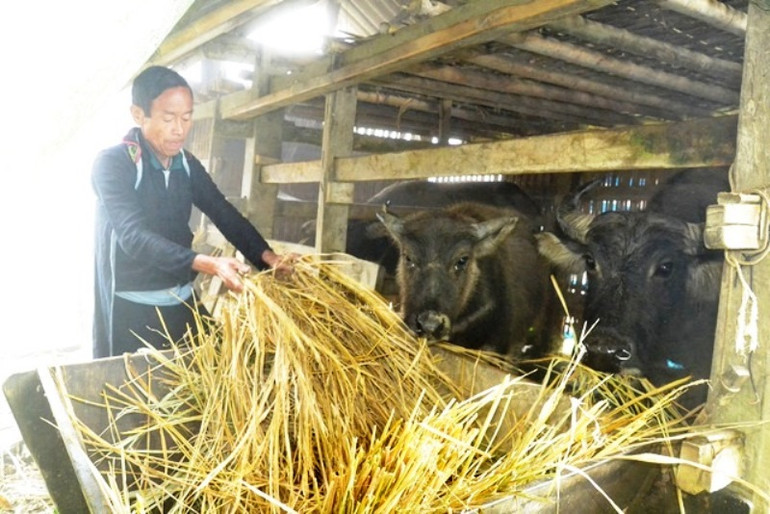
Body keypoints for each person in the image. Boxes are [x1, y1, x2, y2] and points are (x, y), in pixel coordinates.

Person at [92, 65, 291, 358]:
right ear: (138, 115)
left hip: (182, 300)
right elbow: (132, 236)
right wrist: (208, 263)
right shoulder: (114, 164)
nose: (179, 129)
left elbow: (221, 211)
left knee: (223, 373)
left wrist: (267, 256)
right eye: (168, 118)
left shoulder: (185, 164)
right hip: (132, 310)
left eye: (186, 118)